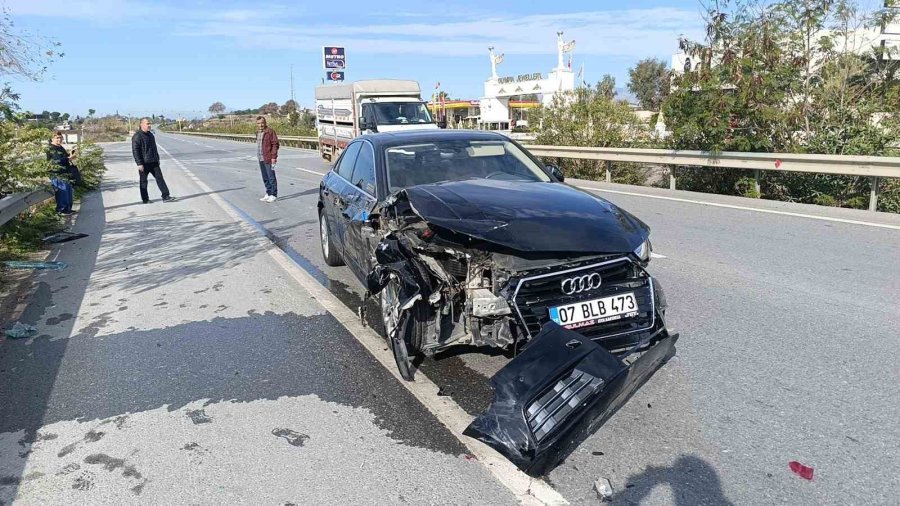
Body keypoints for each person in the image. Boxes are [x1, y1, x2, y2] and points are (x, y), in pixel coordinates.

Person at [132, 118, 176, 203]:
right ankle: (145, 199)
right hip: (144, 163)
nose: (149, 125)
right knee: (143, 182)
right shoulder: (137, 136)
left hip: (153, 162)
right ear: (141, 124)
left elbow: (154, 148)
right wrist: (139, 163)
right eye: (147, 124)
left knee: (160, 178)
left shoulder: (151, 135)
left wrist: (157, 159)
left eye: (149, 124)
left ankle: (166, 196)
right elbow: (135, 151)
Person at [46, 132, 75, 215]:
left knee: (68, 191)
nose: (59, 139)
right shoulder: (51, 148)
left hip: (65, 172)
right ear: (52, 139)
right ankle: (61, 210)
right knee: (62, 191)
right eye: (57, 138)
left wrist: (70, 155)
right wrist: (69, 158)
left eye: (61, 138)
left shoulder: (60, 147)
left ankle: (68, 208)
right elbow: (57, 161)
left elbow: (65, 157)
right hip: (57, 173)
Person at [256, 116, 279, 202]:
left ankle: (274, 194)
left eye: (262, 123)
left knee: (271, 176)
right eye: (258, 123)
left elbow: (275, 144)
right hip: (260, 157)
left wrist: (273, 157)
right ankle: (268, 193)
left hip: (269, 158)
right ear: (256, 124)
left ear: (265, 123)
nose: (260, 125)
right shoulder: (258, 132)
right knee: (265, 177)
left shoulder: (270, 132)